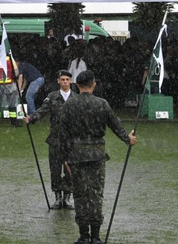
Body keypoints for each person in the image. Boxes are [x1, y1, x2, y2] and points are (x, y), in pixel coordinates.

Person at [59, 70, 137, 244]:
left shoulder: (69, 105)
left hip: (76, 155)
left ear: (76, 85)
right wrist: (127, 139)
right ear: (93, 84)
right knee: (95, 195)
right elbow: (115, 125)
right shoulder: (102, 104)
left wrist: (64, 159)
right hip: (97, 154)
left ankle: (83, 235)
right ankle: (95, 235)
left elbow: (61, 135)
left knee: (79, 195)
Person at [24, 70, 76, 210]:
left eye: (67, 79)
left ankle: (67, 197)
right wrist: (31, 118)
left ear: (71, 81)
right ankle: (58, 197)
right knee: (55, 169)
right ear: (58, 81)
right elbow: (42, 110)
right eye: (62, 79)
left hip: (72, 141)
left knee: (70, 170)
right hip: (55, 139)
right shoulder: (52, 97)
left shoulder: (76, 98)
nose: (65, 82)